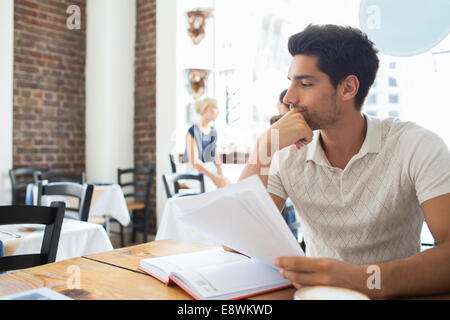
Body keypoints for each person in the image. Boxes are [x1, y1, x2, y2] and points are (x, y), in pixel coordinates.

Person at [239, 24, 450, 298]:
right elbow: (238, 244)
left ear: (348, 87)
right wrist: (263, 147)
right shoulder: (284, 153)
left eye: (305, 84)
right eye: (290, 82)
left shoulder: (416, 146)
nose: (289, 97)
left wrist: (363, 280)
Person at [183, 97, 230, 191]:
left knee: (228, 186)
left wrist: (221, 177)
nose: (218, 111)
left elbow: (216, 159)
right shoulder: (192, 131)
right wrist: (214, 178)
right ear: (205, 109)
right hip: (196, 172)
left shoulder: (213, 131)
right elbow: (194, 161)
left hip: (210, 170)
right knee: (210, 187)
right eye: (215, 107)